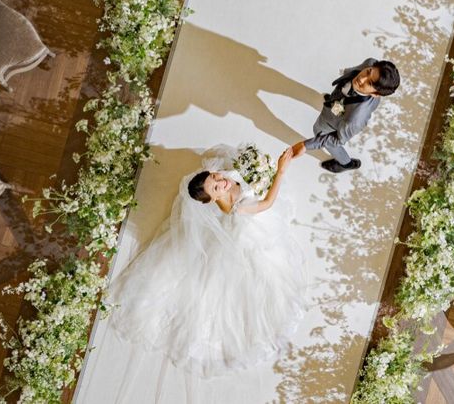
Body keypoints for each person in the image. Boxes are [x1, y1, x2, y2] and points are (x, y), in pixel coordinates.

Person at [108, 146, 306, 377]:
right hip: (251, 231)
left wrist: (259, 169)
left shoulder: (224, 181)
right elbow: (268, 203)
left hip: (241, 211)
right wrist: (280, 171)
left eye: (215, 177)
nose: (221, 182)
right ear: (213, 199)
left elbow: (230, 180)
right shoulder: (240, 209)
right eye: (216, 187)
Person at [291, 58, 401, 173]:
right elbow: (354, 70)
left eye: (369, 83)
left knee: (319, 131)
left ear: (376, 94)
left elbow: (338, 140)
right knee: (334, 103)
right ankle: (334, 101)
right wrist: (345, 74)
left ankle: (346, 163)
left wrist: (306, 145)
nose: (361, 78)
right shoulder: (370, 63)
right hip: (340, 104)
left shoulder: (355, 119)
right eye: (368, 72)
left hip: (337, 120)